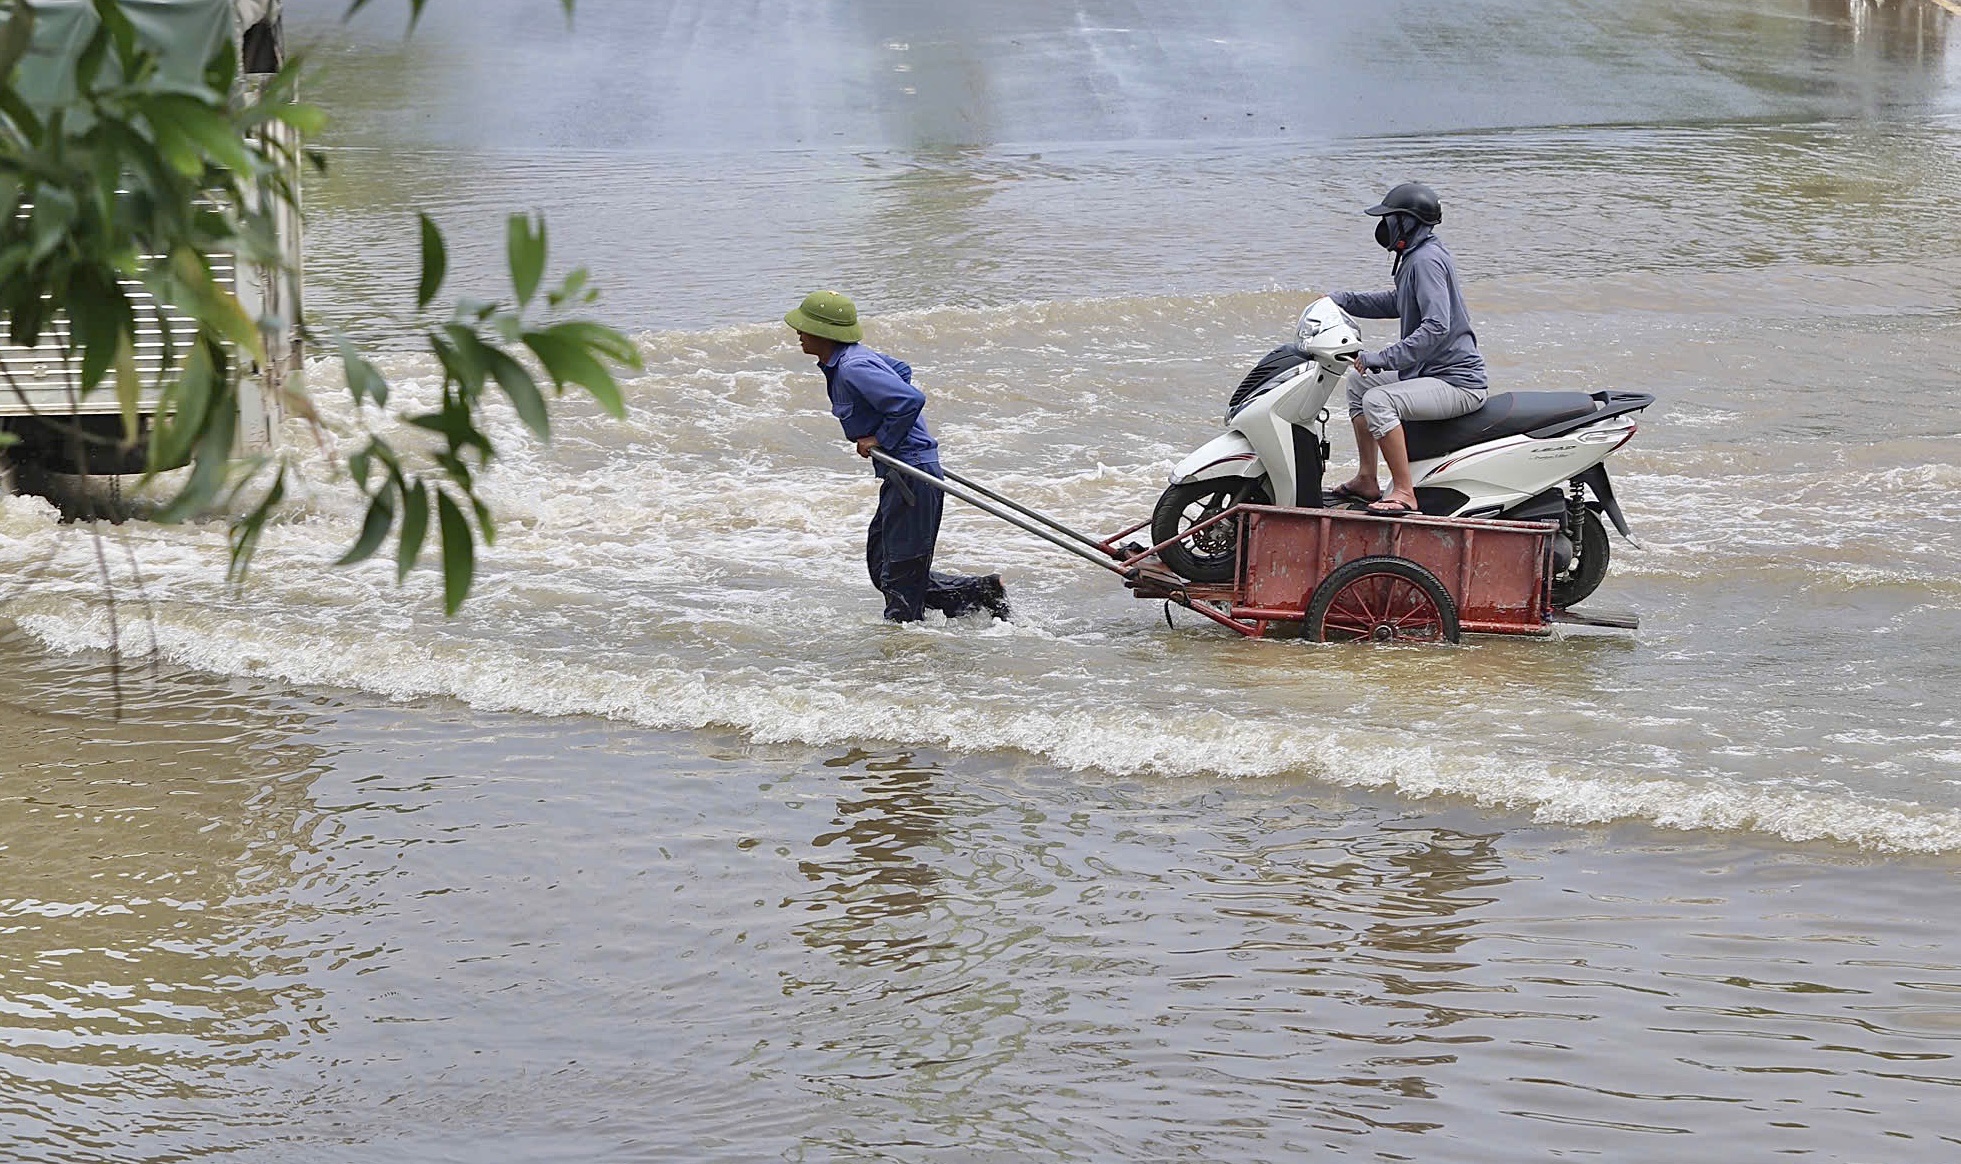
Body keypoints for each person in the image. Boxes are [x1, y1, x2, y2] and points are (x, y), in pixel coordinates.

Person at [785, 290, 1011, 623]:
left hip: (912, 474)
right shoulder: (850, 361)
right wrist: (877, 419)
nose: (798, 335)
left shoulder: (853, 367)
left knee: (901, 580)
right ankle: (980, 592)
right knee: (883, 569)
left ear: (826, 333)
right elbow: (901, 371)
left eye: (804, 328)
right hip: (901, 473)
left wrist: (882, 437)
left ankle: (905, 656)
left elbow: (908, 399)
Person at [1326, 182, 1489, 516]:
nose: (1383, 226)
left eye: (1389, 218)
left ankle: (1403, 491)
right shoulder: (1415, 256)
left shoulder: (1425, 261)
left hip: (1457, 383)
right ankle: (1367, 479)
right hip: (1432, 374)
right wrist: (1340, 300)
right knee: (1359, 385)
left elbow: (1436, 326)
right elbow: (1396, 301)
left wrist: (1382, 358)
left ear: (1408, 222)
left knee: (1378, 400)